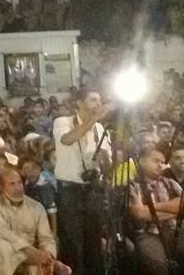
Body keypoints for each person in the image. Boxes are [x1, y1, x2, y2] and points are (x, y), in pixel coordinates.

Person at [53, 88, 110, 275]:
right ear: (79, 103)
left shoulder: (100, 129)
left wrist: (105, 157)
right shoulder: (62, 122)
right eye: (93, 100)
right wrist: (93, 119)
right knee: (74, 243)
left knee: (94, 241)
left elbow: (107, 165)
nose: (98, 104)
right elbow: (68, 139)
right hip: (70, 190)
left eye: (100, 100)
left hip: (93, 189)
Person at [128, 148, 184, 275]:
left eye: (162, 162)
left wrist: (150, 207)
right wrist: (174, 211)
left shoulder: (170, 183)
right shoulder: (132, 186)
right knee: (155, 263)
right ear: (142, 161)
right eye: (156, 161)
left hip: (173, 230)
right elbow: (139, 214)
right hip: (147, 234)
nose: (160, 165)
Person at [0, 169, 59, 275]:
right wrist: (31, 252)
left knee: (47, 255)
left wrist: (48, 254)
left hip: (34, 253)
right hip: (8, 251)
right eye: (12, 184)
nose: (18, 187)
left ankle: (53, 264)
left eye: (19, 182)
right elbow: (5, 234)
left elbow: (46, 238)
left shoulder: (36, 207)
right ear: (1, 188)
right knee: (0, 246)